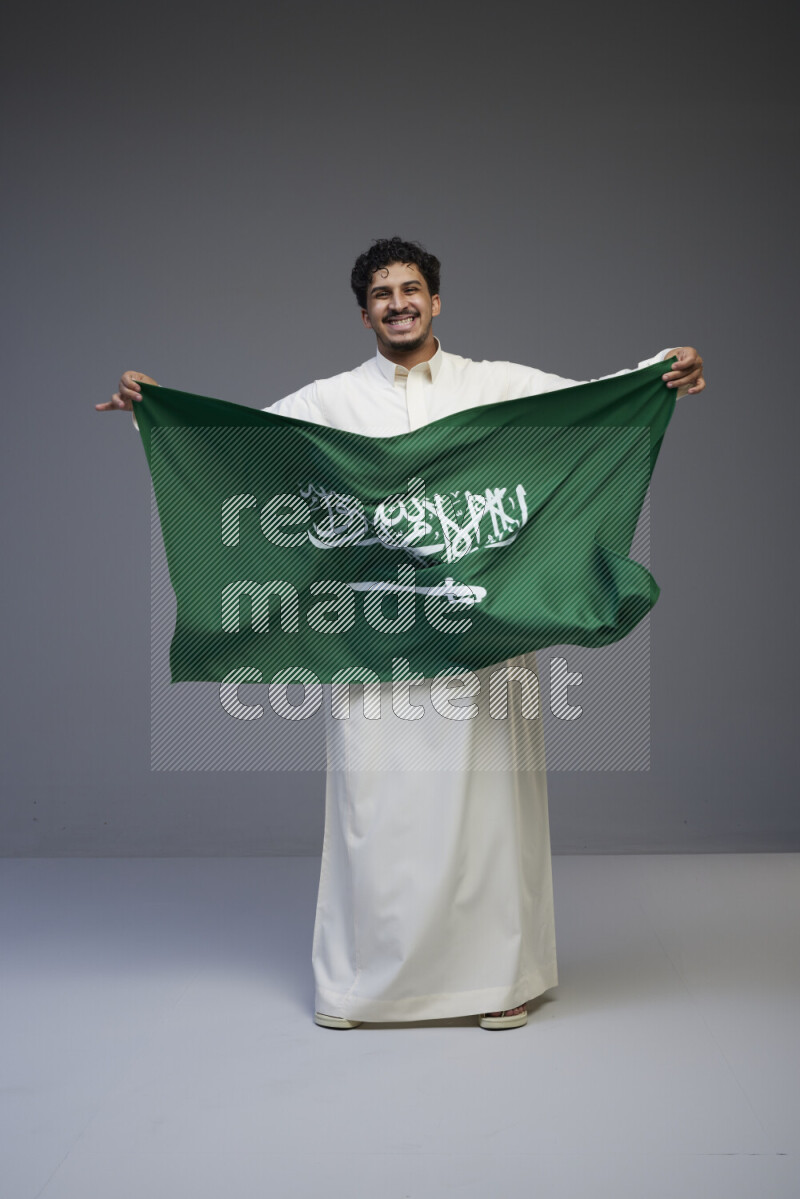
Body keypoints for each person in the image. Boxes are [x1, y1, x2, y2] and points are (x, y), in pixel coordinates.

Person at [98, 237, 705, 1030]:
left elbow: (592, 404)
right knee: (375, 809)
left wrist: (663, 371)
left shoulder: (496, 386)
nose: (398, 302)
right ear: (364, 313)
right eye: (381, 293)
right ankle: (361, 985)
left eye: (410, 288)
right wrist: (162, 411)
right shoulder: (331, 400)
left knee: (489, 810)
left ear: (436, 300)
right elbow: (243, 449)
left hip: (481, 640)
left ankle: (498, 980)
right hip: (371, 638)